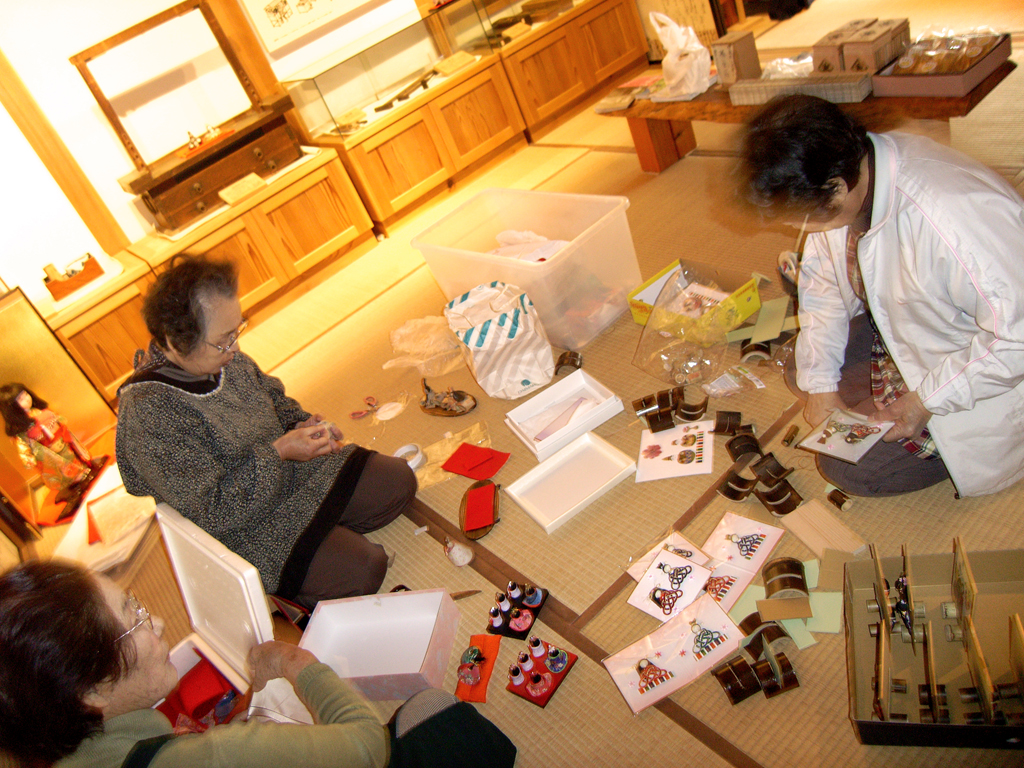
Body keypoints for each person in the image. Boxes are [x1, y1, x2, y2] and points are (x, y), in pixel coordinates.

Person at [737, 94, 1024, 498]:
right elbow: (823, 292)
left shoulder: (952, 217)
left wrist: (927, 400)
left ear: (837, 188)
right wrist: (821, 385)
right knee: (803, 369)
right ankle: (869, 394)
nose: (796, 228)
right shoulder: (853, 173)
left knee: (852, 470)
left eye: (798, 217)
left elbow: (1017, 339)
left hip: (986, 365)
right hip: (914, 330)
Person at [0, 560, 517, 768]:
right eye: (132, 618)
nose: (155, 620)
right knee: (434, 710)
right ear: (91, 690)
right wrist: (295, 661)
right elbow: (367, 745)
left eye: (136, 601)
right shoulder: (221, 755)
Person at [115, 256, 417, 608]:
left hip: (290, 471)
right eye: (224, 340)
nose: (235, 348)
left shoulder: (220, 357)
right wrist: (280, 452)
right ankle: (322, 548)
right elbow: (212, 511)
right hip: (247, 524)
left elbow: (272, 396)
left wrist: (299, 425)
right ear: (175, 342)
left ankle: (330, 533)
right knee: (364, 569)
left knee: (398, 480)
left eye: (237, 330)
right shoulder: (150, 414)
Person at [0, 382, 102, 504]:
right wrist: (29, 458)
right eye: (21, 399)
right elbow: (23, 446)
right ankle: (76, 480)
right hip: (48, 451)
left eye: (26, 394)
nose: (27, 399)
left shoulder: (38, 410)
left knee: (72, 455)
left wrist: (58, 422)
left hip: (60, 439)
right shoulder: (22, 429)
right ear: (12, 408)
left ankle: (83, 470)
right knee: (63, 466)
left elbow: (56, 418)